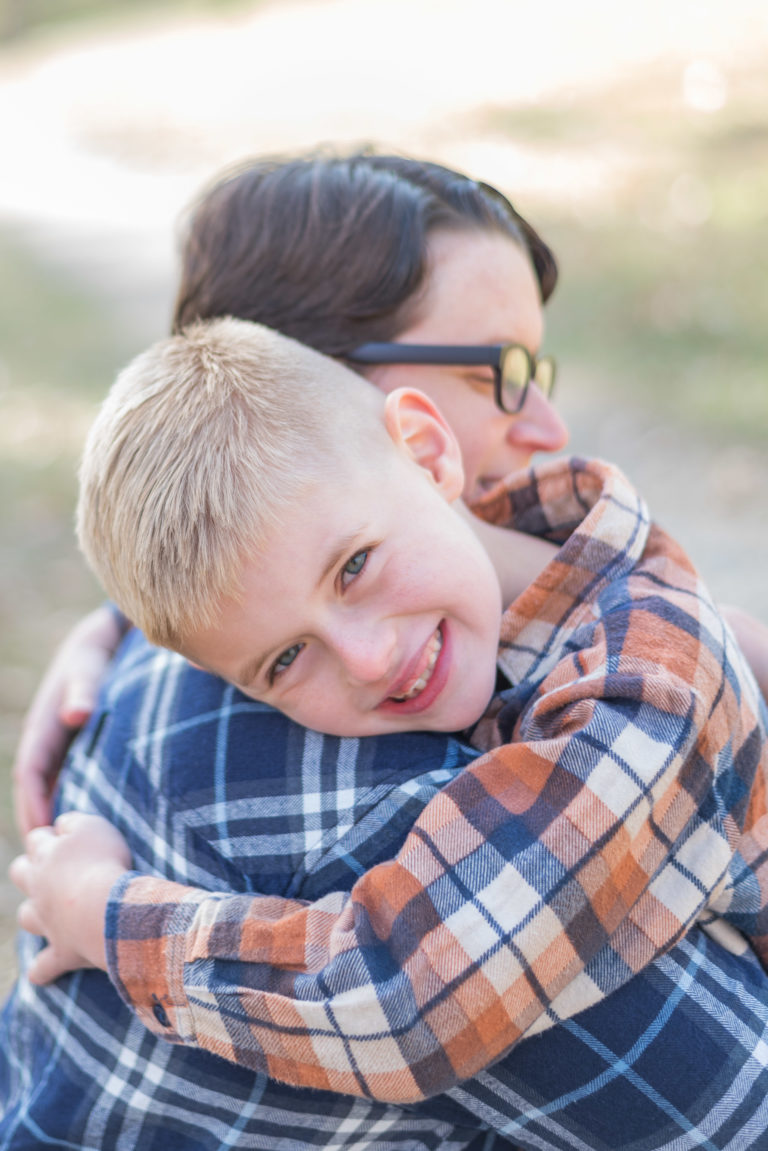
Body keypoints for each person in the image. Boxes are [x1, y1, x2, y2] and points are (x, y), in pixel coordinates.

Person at [7, 150, 768, 1151]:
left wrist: (109, 913)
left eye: (533, 370)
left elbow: (409, 996)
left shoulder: (642, 661)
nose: (547, 424)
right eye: (493, 372)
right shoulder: (359, 734)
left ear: (417, 444)